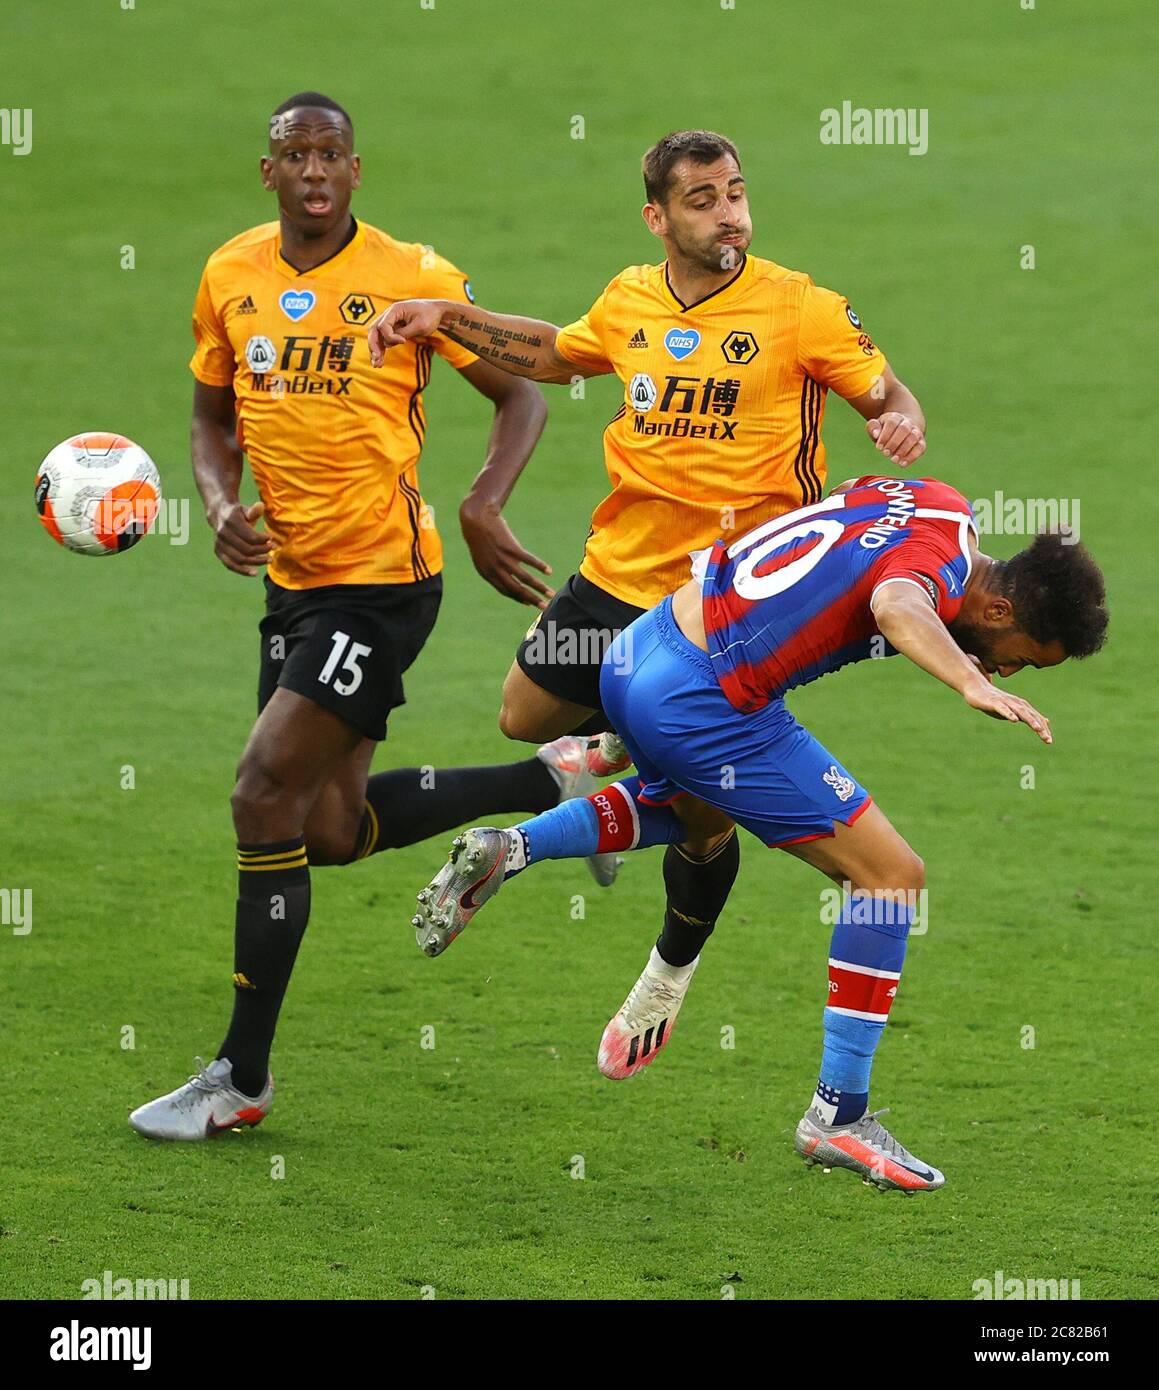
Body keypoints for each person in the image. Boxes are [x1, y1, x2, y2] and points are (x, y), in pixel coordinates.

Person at [408, 475, 1109, 1192]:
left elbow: (837, 515)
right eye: (1016, 656)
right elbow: (896, 604)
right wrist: (969, 683)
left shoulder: (938, 499)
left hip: (642, 645)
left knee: (695, 809)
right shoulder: (935, 578)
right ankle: (837, 1117)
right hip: (703, 694)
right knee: (891, 878)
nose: (1001, 667)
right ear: (997, 607)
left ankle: (514, 847)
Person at [129, 93, 606, 1142]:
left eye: (329, 154)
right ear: (268, 172)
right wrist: (217, 503)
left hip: (384, 585)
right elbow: (212, 419)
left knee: (261, 794)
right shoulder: (229, 276)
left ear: (356, 170)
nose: (311, 171)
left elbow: (521, 391)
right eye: (293, 154)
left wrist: (483, 501)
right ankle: (557, 776)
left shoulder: (412, 277)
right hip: (294, 587)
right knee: (326, 831)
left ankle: (238, 1076)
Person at [370, 127, 929, 1012]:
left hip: (727, 600)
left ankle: (664, 976)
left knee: (705, 818)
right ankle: (613, 757)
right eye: (702, 202)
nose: (727, 215)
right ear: (657, 217)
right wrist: (448, 320)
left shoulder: (800, 308)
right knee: (523, 714)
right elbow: (557, 353)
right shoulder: (630, 298)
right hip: (621, 569)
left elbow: (886, 391)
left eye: (735, 194)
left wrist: (896, 420)